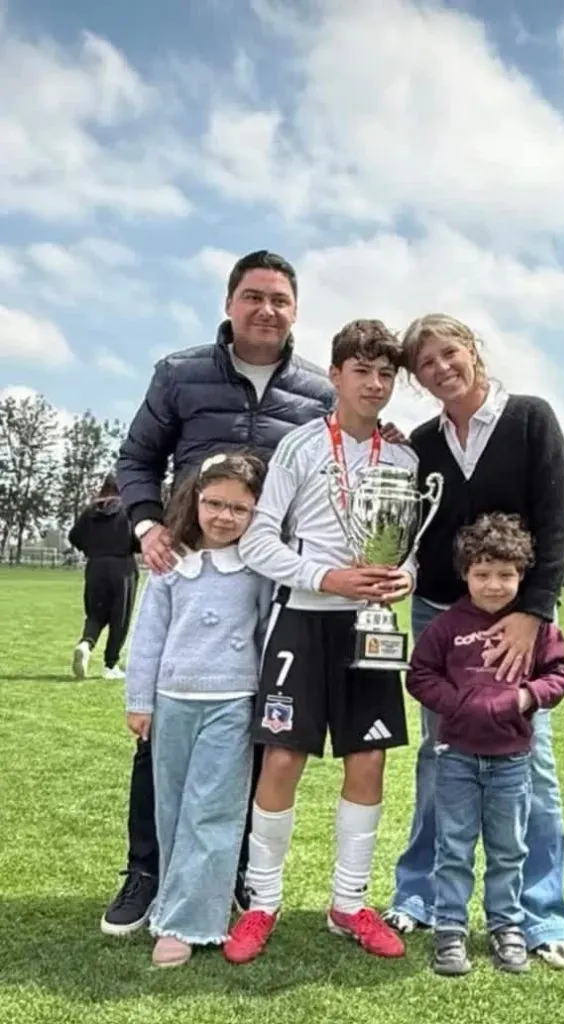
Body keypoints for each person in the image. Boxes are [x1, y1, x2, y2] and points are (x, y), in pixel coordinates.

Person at [105, 249, 334, 937]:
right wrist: (147, 525)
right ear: (231, 302)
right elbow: (136, 459)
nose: (267, 309)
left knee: (254, 734)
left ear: (295, 311)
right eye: (254, 296)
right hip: (190, 572)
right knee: (163, 741)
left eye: (281, 300)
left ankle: (225, 872)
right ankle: (147, 871)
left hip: (270, 583)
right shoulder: (179, 374)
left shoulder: (319, 393)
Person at [384, 314, 564, 970]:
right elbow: (412, 531)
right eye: (426, 364)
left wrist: (533, 614)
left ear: (473, 349)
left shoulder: (529, 420)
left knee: (531, 768)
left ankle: (542, 915)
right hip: (440, 614)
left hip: (517, 621)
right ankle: (416, 898)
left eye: (449, 352)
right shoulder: (421, 443)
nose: (442, 367)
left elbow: (555, 525)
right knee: (440, 760)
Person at [223, 320, 416, 965]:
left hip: (371, 627)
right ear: (334, 374)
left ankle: (349, 903)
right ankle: (262, 903)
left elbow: (414, 552)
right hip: (303, 620)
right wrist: (324, 576)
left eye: (386, 373)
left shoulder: (404, 458)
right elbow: (257, 539)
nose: (375, 383)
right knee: (282, 759)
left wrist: (404, 577)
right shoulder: (301, 447)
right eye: (361, 370)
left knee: (369, 762)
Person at [406, 513, 564, 977]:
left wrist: (525, 697)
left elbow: (561, 674)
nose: (494, 585)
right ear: (466, 575)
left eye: (506, 575)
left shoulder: (536, 628)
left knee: (508, 850)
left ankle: (508, 927)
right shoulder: (446, 626)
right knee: (454, 846)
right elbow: (419, 676)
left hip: (512, 764)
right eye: (482, 574)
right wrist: (457, 704)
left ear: (522, 574)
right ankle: (450, 930)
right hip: (456, 758)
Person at [125, 451, 273, 968]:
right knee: (171, 810)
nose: (225, 517)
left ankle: (192, 922)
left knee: (212, 812)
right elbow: (147, 637)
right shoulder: (171, 563)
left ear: (257, 512)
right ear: (196, 500)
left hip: (231, 704)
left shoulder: (258, 568)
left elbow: (264, 635)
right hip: (171, 703)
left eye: (240, 508)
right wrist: (140, 700)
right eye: (215, 503)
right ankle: (170, 902)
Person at [69, 473, 139, 681]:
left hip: (95, 566)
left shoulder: (90, 511)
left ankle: (86, 644)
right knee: (120, 617)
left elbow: (74, 536)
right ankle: (110, 665)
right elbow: (139, 538)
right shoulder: (129, 510)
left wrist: (91, 548)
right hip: (123, 567)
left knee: (95, 613)